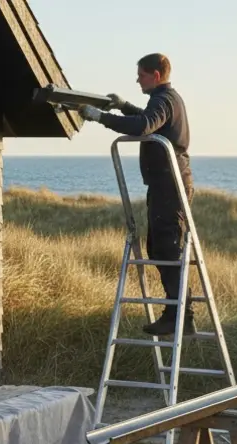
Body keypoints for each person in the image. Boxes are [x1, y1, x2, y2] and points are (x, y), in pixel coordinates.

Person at [80, 53, 195, 336]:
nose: (137, 79)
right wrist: (124, 106)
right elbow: (145, 118)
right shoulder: (165, 100)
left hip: (170, 184)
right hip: (165, 183)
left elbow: (144, 125)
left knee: (168, 249)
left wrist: (101, 117)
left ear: (156, 75)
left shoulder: (164, 100)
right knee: (159, 248)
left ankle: (180, 315)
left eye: (141, 75)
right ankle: (177, 313)